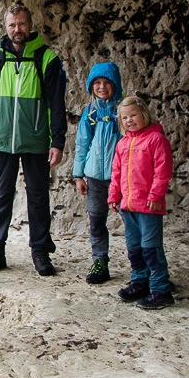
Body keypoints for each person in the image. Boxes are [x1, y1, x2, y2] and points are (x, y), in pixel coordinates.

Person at [0, 3, 67, 277]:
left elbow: (56, 104)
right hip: (3, 139)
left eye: (22, 24)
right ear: (6, 27)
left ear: (30, 25)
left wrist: (57, 141)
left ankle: (40, 253)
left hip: (36, 138)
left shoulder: (46, 59)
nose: (18, 29)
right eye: (13, 24)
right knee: (1, 196)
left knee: (38, 197)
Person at [108, 95, 174, 309]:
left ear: (144, 114)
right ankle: (140, 282)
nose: (129, 121)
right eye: (124, 117)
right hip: (128, 206)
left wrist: (156, 196)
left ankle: (160, 289)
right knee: (134, 247)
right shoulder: (123, 143)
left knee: (150, 248)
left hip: (148, 206)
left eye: (133, 115)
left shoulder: (156, 140)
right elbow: (116, 172)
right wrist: (114, 195)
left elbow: (162, 172)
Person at [73, 61, 123, 285]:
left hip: (119, 179)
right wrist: (78, 175)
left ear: (115, 85)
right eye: (97, 83)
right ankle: (100, 261)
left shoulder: (123, 111)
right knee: (97, 222)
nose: (102, 87)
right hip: (94, 177)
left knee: (131, 222)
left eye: (106, 83)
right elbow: (83, 142)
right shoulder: (91, 112)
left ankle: (141, 266)